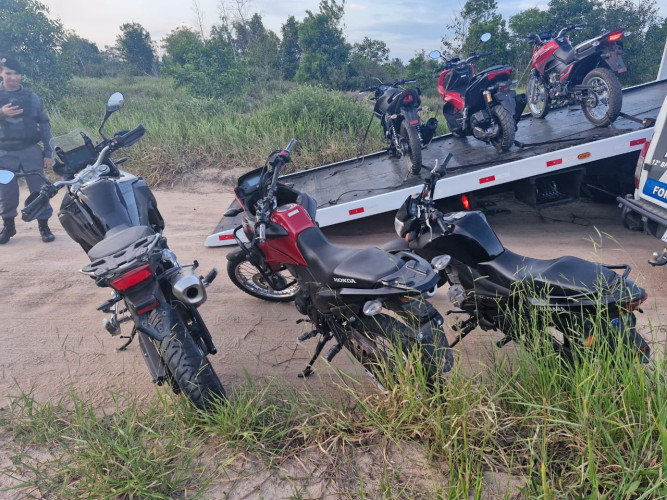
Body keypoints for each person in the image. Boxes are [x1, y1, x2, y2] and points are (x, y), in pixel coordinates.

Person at [0, 54, 55, 244]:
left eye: (17, 73)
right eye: (8, 73)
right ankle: (8, 225)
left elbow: (45, 126)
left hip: (30, 151)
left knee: (39, 189)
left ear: (21, 76)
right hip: (4, 154)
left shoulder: (32, 97)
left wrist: (48, 153)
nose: (13, 77)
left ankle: (44, 225)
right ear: (1, 73)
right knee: (6, 191)